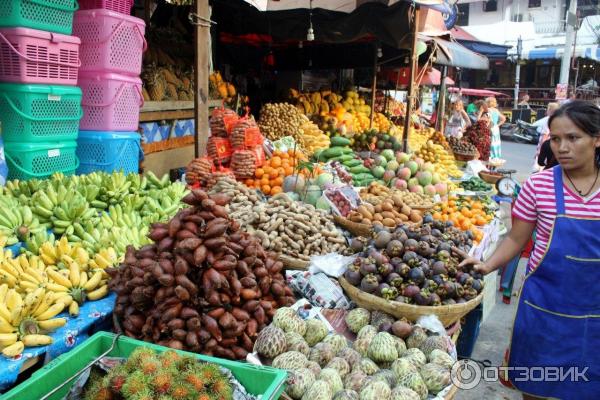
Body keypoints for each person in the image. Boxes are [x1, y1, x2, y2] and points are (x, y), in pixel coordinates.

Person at [459, 100, 600, 400]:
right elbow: (516, 238)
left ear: (597, 138)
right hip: (542, 310)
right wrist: (487, 264)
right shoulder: (539, 186)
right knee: (535, 386)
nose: (562, 147)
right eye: (556, 139)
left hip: (594, 316)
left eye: (573, 138)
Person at [532, 102, 560, 172]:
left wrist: (539, 150)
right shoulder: (558, 120)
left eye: (547, 109)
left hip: (547, 144)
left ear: (550, 110)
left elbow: (545, 135)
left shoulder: (547, 120)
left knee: (539, 166)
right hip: (554, 144)